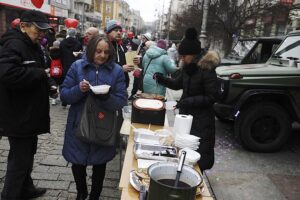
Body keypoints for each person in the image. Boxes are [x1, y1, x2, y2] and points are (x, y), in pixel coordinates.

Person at [60, 35, 127, 200]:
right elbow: (65, 95)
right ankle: (81, 193)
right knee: (77, 162)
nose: (102, 56)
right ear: (91, 50)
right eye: (98, 51)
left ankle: (95, 196)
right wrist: (79, 89)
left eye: (106, 52)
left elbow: (121, 100)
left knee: (100, 163)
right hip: (79, 122)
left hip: (104, 123)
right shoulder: (77, 67)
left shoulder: (116, 70)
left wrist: (106, 97)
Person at [0, 9, 57, 200]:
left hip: (30, 112)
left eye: (43, 30)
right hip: (18, 113)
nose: (41, 34)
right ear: (23, 26)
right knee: (19, 159)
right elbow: (8, 75)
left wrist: (49, 84)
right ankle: (10, 195)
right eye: (38, 30)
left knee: (28, 153)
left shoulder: (32, 44)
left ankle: (26, 188)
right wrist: (40, 75)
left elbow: (40, 69)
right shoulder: (14, 45)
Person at [154, 28, 220, 172]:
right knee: (183, 153)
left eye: (184, 56)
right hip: (186, 116)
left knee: (198, 158)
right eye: (181, 56)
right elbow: (178, 84)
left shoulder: (207, 69)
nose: (182, 59)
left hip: (202, 120)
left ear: (194, 54)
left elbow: (211, 97)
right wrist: (162, 79)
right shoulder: (188, 68)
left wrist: (187, 101)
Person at [59, 28, 83, 107]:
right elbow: (80, 55)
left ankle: (64, 101)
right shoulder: (78, 43)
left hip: (64, 64)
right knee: (74, 82)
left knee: (64, 82)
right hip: (74, 65)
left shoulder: (62, 43)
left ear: (68, 33)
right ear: (75, 34)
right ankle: (73, 100)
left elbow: (60, 54)